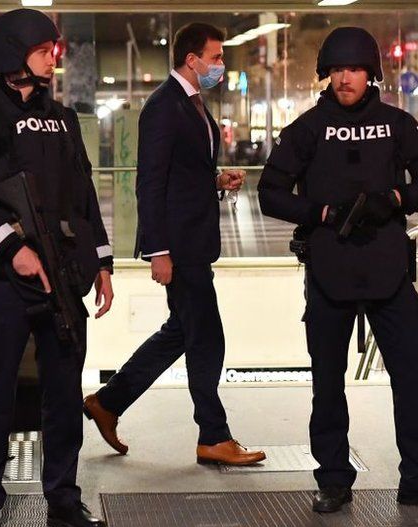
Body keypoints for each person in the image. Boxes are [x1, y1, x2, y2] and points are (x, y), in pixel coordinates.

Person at [258, 27, 418, 514]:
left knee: (413, 378)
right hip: (330, 269)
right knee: (328, 384)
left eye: (353, 69)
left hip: (388, 271)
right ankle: (333, 479)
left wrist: (394, 199)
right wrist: (323, 214)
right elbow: (270, 192)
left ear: (371, 73)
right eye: (336, 70)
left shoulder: (398, 125)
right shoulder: (308, 129)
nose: (344, 78)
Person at [0, 9, 114, 527]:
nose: (53, 60)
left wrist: (102, 262)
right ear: (14, 54)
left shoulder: (62, 118)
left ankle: (63, 501)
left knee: (64, 394)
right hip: (2, 282)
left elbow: (84, 194)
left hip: (62, 278)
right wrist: (9, 246)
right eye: (44, 51)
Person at [81, 22, 265, 467]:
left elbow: (183, 173)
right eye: (216, 57)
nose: (220, 66)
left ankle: (109, 402)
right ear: (192, 60)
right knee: (207, 337)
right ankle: (213, 436)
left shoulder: (192, 103)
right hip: (179, 247)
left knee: (182, 332)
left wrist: (215, 179)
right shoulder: (164, 106)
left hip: (194, 241)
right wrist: (158, 250)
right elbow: (150, 181)